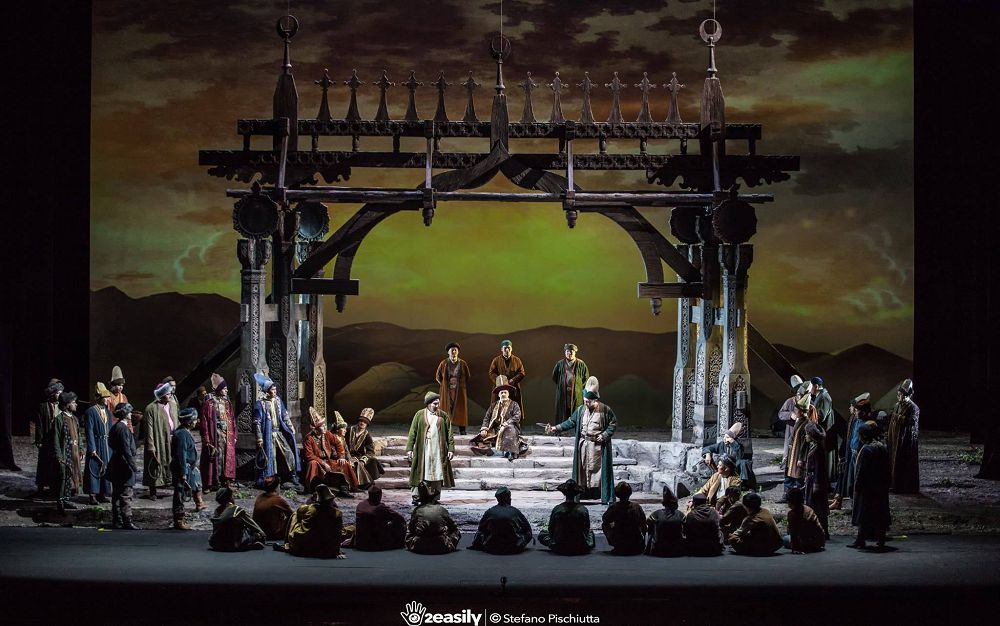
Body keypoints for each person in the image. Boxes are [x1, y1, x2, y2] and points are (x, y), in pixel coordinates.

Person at [545, 376, 617, 504]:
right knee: (583, 472)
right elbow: (570, 422)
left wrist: (604, 435)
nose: (586, 403)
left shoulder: (605, 410)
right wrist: (556, 428)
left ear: (595, 400)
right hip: (583, 446)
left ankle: (601, 495)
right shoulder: (581, 410)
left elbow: (613, 424)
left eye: (588, 401)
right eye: (585, 401)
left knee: (597, 472)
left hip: (597, 448)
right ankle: (583, 495)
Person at [405, 392, 455, 505]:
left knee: (437, 471)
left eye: (438, 403)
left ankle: (434, 497)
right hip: (424, 448)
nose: (437, 406)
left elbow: (449, 433)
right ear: (428, 404)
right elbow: (413, 432)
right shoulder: (419, 414)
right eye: (434, 404)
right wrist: (409, 448)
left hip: (438, 448)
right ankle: (417, 496)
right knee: (421, 471)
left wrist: (451, 449)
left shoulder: (443, 415)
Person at [253, 373, 301, 488]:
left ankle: (292, 476)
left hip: (278, 433)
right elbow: (257, 423)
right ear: (267, 391)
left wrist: (290, 427)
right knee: (270, 457)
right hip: (268, 435)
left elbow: (285, 415)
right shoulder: (260, 404)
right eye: (272, 390)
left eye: (275, 389)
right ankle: (270, 479)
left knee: (288, 453)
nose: (275, 392)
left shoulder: (278, 401)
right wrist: (259, 438)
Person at [850, 421, 891, 550]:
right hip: (880, 487)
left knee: (864, 514)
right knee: (880, 513)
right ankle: (881, 539)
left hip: (868, 488)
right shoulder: (881, 446)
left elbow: (862, 471)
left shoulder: (867, 450)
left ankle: (860, 539)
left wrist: (857, 487)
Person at [302, 407, 359, 497]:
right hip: (317, 462)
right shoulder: (308, 438)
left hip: (328, 460)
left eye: (324, 425)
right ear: (316, 429)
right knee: (312, 463)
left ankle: (345, 488)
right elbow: (309, 455)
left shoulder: (327, 434)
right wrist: (323, 463)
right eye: (322, 426)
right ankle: (312, 488)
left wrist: (341, 456)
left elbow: (338, 444)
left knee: (344, 463)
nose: (325, 427)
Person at [471, 376, 528, 460]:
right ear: (498, 394)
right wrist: (484, 429)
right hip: (496, 430)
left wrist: (507, 423)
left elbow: (517, 416)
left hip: (510, 428)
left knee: (509, 430)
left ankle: (510, 452)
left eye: (505, 392)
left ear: (508, 393)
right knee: (480, 438)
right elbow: (487, 418)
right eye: (501, 393)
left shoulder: (514, 404)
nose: (503, 394)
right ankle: (486, 450)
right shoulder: (493, 405)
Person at [282, 485, 347, 559]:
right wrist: (336, 551)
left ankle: (287, 544)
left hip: (304, 544)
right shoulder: (338, 513)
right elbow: (337, 534)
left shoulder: (311, 509)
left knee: (294, 515)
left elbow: (299, 511)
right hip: (326, 547)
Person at [831, 392, 872, 510]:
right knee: (848, 479)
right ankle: (843, 500)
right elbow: (849, 437)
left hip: (858, 454)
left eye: (854, 408)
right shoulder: (855, 420)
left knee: (856, 479)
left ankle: (856, 504)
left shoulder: (865, 423)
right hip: (851, 453)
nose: (851, 409)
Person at [468, 486, 533, 555]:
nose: (510, 499)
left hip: (491, 548)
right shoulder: (515, 511)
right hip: (514, 548)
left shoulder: (489, 512)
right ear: (507, 497)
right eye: (509, 497)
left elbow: (480, 530)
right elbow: (528, 529)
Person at [538, 479, 594, 555]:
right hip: (580, 546)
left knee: (542, 534)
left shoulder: (557, 509)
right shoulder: (583, 510)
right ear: (576, 494)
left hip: (559, 545)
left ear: (564, 493)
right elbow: (586, 529)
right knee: (591, 533)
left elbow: (551, 528)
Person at [170, 407, 205, 530]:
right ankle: (178, 520)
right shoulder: (182, 434)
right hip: (182, 468)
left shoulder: (184, 432)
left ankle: (182, 516)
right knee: (180, 494)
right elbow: (181, 454)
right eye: (194, 420)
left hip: (188, 467)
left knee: (187, 490)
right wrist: (183, 472)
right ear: (189, 422)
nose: (196, 422)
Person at [200, 373, 235, 491]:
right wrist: (206, 438)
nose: (226, 390)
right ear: (219, 389)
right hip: (214, 435)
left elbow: (232, 419)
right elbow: (204, 422)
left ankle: (225, 480)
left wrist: (234, 435)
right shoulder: (209, 404)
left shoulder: (227, 403)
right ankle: (210, 483)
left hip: (226, 435)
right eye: (224, 388)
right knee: (213, 458)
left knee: (225, 457)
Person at [405, 481, 462, 554]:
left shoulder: (417, 511)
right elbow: (453, 527)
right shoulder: (441, 509)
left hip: (420, 545)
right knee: (455, 531)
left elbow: (411, 529)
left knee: (409, 529)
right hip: (441, 545)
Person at [107, 402, 139, 530]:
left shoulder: (116, 427)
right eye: (129, 412)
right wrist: (133, 466)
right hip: (123, 465)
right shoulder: (122, 428)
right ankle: (126, 520)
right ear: (125, 414)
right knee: (126, 494)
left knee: (117, 493)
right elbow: (126, 449)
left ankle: (117, 520)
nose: (131, 414)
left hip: (117, 463)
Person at [784, 382, 818, 501]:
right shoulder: (799, 420)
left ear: (801, 411)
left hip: (798, 453)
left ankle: (800, 497)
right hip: (793, 451)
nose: (795, 410)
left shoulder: (806, 423)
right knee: (789, 472)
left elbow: (805, 443)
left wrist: (801, 458)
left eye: (797, 409)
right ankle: (788, 494)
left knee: (798, 475)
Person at [141, 382, 174, 500]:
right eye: (168, 394)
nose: (170, 395)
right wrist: (151, 446)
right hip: (157, 440)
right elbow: (149, 429)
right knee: (155, 463)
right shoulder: (151, 408)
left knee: (168, 461)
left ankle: (167, 481)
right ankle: (153, 490)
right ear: (162, 395)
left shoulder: (171, 405)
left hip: (169, 439)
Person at [48, 391, 80, 513]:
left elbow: (79, 436)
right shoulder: (59, 419)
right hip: (64, 453)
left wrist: (81, 449)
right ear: (67, 405)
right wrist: (59, 455)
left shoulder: (75, 419)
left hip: (74, 452)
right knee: (63, 477)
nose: (76, 404)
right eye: (73, 402)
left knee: (71, 476)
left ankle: (66, 499)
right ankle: (60, 502)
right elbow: (55, 439)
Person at [82, 382, 114, 505]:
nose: (108, 399)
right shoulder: (91, 412)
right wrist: (92, 448)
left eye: (108, 397)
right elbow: (89, 430)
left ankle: (103, 493)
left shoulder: (108, 412)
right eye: (105, 397)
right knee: (94, 467)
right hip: (96, 443)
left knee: (105, 467)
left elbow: (110, 429)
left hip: (106, 444)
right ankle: (93, 494)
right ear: (99, 398)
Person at [209, 487, 266, 552]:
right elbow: (251, 524)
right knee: (254, 533)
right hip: (232, 545)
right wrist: (262, 534)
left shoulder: (217, 510)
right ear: (230, 498)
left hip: (215, 544)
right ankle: (250, 544)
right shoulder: (236, 509)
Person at [350, 485, 406, 551]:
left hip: (359, 543)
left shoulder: (360, 505)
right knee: (399, 525)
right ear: (380, 495)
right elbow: (400, 518)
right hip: (374, 545)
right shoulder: (380, 507)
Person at [888, 379, 920, 494]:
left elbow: (912, 422)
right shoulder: (897, 405)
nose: (899, 396)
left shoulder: (913, 407)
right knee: (894, 461)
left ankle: (904, 486)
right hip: (895, 439)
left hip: (905, 440)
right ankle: (894, 484)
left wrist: (898, 417)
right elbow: (892, 421)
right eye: (898, 394)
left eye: (901, 394)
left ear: (908, 395)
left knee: (903, 463)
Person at [728, 492, 783, 556]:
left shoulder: (751, 519)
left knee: (732, 537)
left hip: (762, 549)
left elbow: (738, 533)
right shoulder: (766, 511)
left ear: (746, 506)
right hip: (776, 545)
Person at [776, 375, 803, 503]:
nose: (800, 396)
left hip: (801, 440)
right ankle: (786, 494)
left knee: (799, 466)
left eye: (802, 394)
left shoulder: (809, 404)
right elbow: (781, 414)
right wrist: (790, 415)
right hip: (790, 438)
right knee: (788, 465)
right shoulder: (790, 402)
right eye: (798, 394)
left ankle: (799, 495)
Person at [34, 379, 64, 497]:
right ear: (52, 393)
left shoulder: (61, 407)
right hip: (46, 439)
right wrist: (39, 440)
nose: (60, 395)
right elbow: (39, 425)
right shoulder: (43, 407)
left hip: (57, 439)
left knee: (55, 463)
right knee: (43, 462)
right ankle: (41, 487)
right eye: (58, 393)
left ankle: (54, 488)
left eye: (61, 393)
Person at [702, 421, 755, 487]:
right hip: (724, 467)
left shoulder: (738, 446)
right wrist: (707, 454)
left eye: (727, 437)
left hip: (735, 467)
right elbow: (707, 448)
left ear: (732, 439)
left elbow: (740, 456)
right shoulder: (721, 445)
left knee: (743, 462)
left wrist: (733, 443)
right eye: (724, 437)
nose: (725, 439)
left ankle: (744, 484)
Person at [435, 342, 471, 435]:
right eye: (452, 350)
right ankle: (445, 429)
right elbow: (438, 376)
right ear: (448, 352)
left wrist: (461, 385)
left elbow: (467, 376)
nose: (454, 352)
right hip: (447, 390)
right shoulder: (443, 363)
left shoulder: (462, 363)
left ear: (458, 352)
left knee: (460, 409)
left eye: (455, 350)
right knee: (446, 408)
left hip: (459, 390)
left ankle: (462, 429)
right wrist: (444, 385)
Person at [602, 482, 646, 555]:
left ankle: (616, 543)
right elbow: (643, 524)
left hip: (619, 541)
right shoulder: (637, 507)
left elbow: (605, 519)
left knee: (604, 525)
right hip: (636, 542)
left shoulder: (614, 507)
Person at [804, 421, 830, 539]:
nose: (806, 436)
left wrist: (816, 484)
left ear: (812, 435)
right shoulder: (814, 446)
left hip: (816, 481)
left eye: (807, 434)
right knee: (815, 506)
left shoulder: (818, 449)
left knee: (817, 507)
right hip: (812, 479)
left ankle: (821, 531)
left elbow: (819, 468)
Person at [551, 343, 589, 422]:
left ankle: (576, 427)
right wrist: (562, 384)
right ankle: (561, 427)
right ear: (565, 352)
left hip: (576, 393)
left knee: (576, 411)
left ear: (575, 352)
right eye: (567, 351)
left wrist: (577, 387)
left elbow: (586, 378)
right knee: (562, 412)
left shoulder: (581, 364)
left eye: (572, 351)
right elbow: (555, 377)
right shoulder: (560, 364)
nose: (569, 353)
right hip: (563, 393)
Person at [347, 408, 385, 488]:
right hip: (347, 454)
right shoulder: (349, 430)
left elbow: (370, 451)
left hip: (359, 457)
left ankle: (366, 483)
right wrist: (347, 456)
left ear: (367, 424)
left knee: (373, 461)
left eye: (365, 422)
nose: (362, 423)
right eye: (361, 421)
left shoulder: (367, 435)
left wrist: (363, 460)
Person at [488, 339, 526, 417]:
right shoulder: (496, 360)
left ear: (511, 349)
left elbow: (522, 373)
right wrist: (500, 381)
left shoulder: (517, 360)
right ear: (501, 349)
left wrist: (513, 380)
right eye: (505, 348)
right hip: (500, 390)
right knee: (498, 411)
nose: (507, 350)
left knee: (514, 410)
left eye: (509, 348)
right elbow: (491, 373)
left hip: (513, 389)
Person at [645, 486, 685, 557]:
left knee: (651, 528)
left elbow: (648, 523)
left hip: (658, 550)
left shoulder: (656, 514)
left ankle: (648, 550)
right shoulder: (680, 514)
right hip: (676, 550)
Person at [785, 487, 825, 554]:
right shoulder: (808, 509)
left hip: (806, 543)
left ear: (790, 502)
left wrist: (795, 548)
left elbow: (793, 533)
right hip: (819, 542)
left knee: (785, 539)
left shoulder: (792, 514)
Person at [253, 476, 294, 541]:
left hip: (258, 531)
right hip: (272, 534)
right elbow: (292, 514)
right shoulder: (278, 500)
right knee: (293, 517)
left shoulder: (259, 497)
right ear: (276, 487)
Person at [810, 376, 836, 478]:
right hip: (822, 431)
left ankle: (825, 480)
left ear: (816, 386)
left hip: (825, 431)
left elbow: (821, 416)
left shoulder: (824, 397)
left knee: (825, 457)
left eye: (811, 386)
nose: (810, 389)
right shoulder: (820, 396)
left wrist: (810, 416)